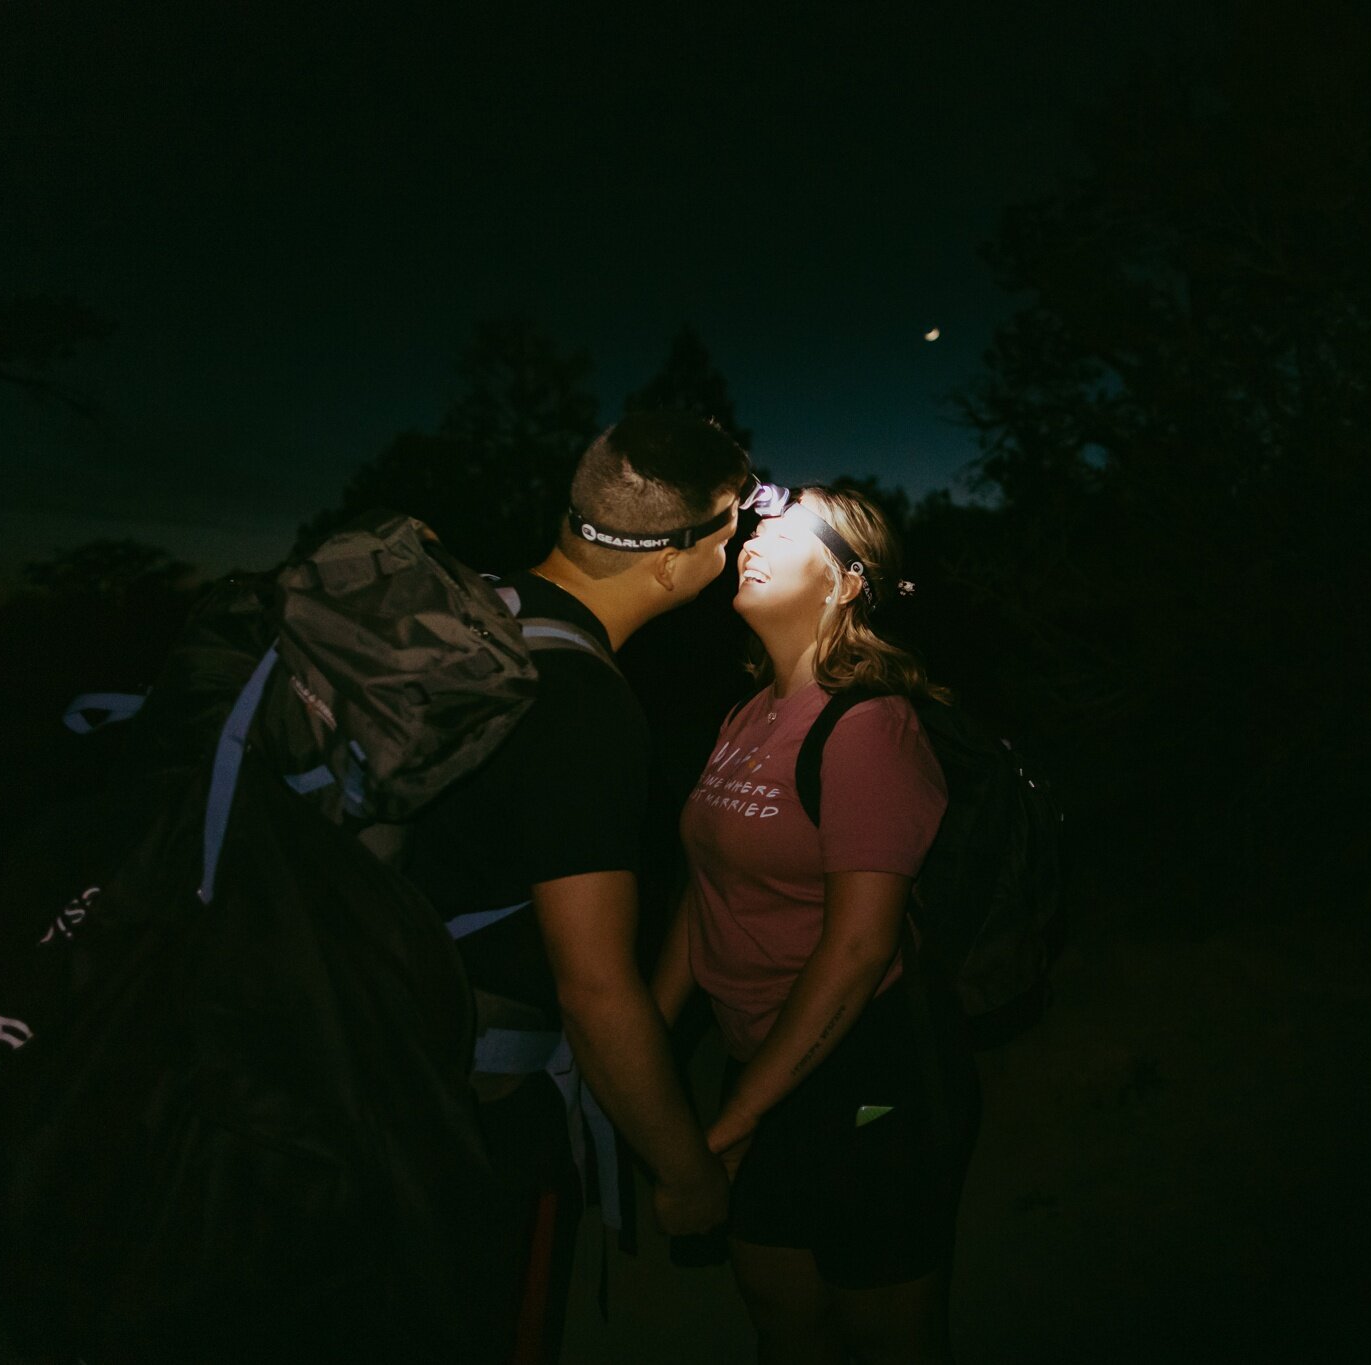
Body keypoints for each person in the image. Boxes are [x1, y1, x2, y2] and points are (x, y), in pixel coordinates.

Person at [402, 412, 760, 1359]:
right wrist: (684, 1171)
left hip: (373, 1051)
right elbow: (595, 988)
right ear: (678, 559)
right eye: (734, 525)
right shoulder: (583, 704)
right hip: (466, 1112)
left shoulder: (480, 614)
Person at [653, 486, 980, 1365]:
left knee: (886, 1331)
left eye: (784, 529)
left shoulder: (871, 725)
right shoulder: (745, 713)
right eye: (756, 525)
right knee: (781, 1313)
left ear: (843, 582)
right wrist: (642, 1037)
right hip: (754, 1060)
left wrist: (723, 1133)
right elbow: (706, 890)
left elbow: (860, 949)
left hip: (870, 1075)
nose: (753, 537)